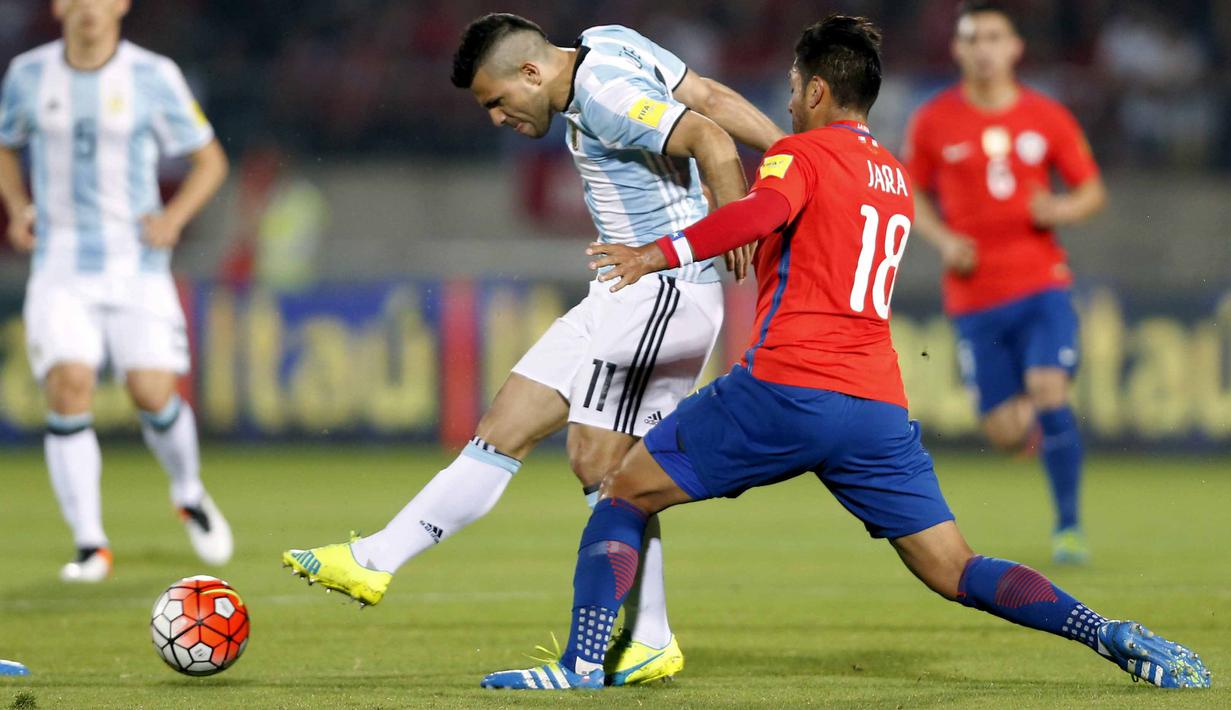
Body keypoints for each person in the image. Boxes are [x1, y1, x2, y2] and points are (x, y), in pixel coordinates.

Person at [477, 15, 1209, 691]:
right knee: (956, 568)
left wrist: (653, 253)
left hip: (785, 387)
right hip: (874, 406)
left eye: (793, 90)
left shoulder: (799, 155)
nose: (787, 106)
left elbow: (758, 214)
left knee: (620, 490)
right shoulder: (890, 176)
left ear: (818, 89)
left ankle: (579, 666)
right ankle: (1105, 632)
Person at [282, 13, 784, 685]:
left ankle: (648, 639)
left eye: (497, 102)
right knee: (506, 424)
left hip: (664, 291)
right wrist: (797, 154)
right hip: (620, 288)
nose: (497, 118)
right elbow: (712, 95)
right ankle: (376, 559)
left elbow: (712, 138)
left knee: (599, 463)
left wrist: (737, 235)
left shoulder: (603, 95)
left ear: (531, 72)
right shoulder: (609, 40)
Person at [0, 0, 232, 582]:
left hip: (137, 264)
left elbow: (210, 160)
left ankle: (188, 490)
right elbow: (4, 144)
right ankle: (90, 544)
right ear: (57, 7)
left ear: (121, 5)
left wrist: (174, 217)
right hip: (60, 264)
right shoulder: (28, 73)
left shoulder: (153, 75)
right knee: (69, 383)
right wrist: (18, 206)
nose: (88, 8)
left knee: (152, 392)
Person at [904, 1, 1107, 563]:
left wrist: (1058, 210)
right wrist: (944, 241)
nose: (984, 48)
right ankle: (1042, 432)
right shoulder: (934, 120)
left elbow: (1092, 190)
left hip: (1042, 285)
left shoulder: (1047, 116)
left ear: (1015, 47)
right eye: (973, 38)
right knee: (1004, 431)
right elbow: (911, 193)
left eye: (995, 37)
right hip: (974, 297)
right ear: (958, 50)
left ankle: (1068, 527)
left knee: (1048, 390)